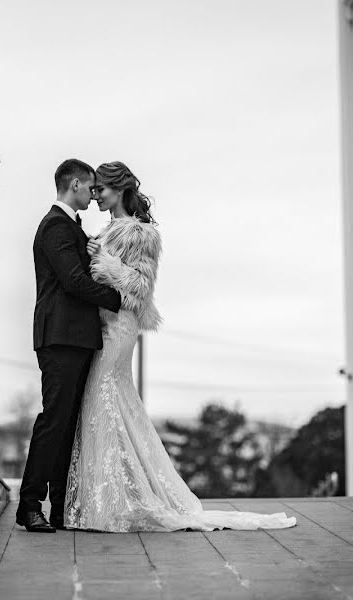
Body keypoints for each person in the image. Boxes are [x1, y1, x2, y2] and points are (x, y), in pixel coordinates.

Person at [64, 161, 296, 532]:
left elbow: (140, 288)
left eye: (101, 190)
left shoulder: (142, 234)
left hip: (120, 326)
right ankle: (108, 498)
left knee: (102, 395)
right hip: (101, 323)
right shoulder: (107, 230)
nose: (95, 197)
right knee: (109, 401)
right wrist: (95, 253)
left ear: (119, 189)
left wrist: (103, 261)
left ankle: (114, 501)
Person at [17, 159, 124, 533]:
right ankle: (29, 506)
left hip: (75, 337)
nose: (93, 193)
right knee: (53, 422)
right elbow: (75, 282)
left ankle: (60, 507)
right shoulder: (56, 227)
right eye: (90, 187)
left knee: (66, 425)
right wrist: (119, 298)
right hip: (60, 337)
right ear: (75, 184)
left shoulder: (71, 228)